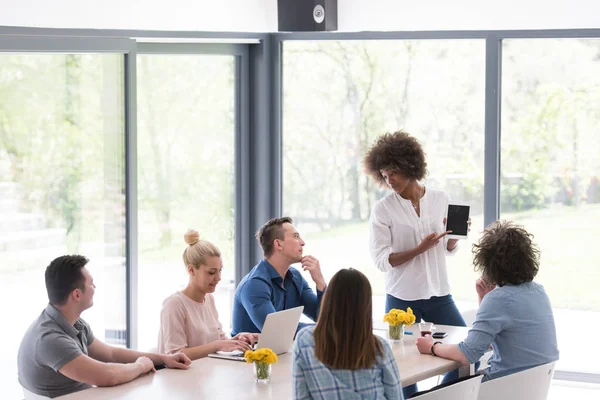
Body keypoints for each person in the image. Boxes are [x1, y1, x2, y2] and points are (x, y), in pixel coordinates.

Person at [364, 130, 470, 397]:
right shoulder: (383, 209)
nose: (390, 181)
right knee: (401, 368)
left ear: (410, 166)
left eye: (394, 173)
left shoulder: (439, 198)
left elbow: (446, 249)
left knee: (468, 351)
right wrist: (419, 249)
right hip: (401, 297)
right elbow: (381, 259)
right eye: (385, 176)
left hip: (438, 292)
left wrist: (455, 239)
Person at [17, 255, 191, 398]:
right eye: (91, 283)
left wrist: (161, 358)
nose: (95, 287)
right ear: (77, 294)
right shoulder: (50, 339)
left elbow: (110, 354)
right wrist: (140, 366)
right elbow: (108, 376)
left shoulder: (73, 322)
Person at [416, 220, 559, 382]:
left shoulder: (499, 299)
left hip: (502, 388)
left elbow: (468, 354)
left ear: (489, 263)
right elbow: (487, 341)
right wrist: (484, 298)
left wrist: (432, 347)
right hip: (531, 388)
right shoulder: (538, 291)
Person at [293, 268, 403, 400]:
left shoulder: (304, 341)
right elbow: (396, 396)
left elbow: (301, 396)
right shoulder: (379, 348)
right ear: (366, 306)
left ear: (328, 300)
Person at [158, 229, 258, 360]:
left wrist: (236, 340)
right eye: (211, 272)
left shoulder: (209, 299)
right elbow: (174, 355)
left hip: (204, 374)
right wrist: (216, 346)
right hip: (178, 378)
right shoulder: (174, 304)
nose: (218, 278)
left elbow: (218, 341)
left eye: (219, 271)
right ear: (191, 270)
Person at [231, 217, 327, 336]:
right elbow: (276, 330)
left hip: (282, 351)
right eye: (296, 236)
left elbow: (321, 316)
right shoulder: (255, 284)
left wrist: (320, 282)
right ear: (278, 244)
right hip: (250, 353)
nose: (302, 242)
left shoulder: (295, 277)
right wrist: (326, 327)